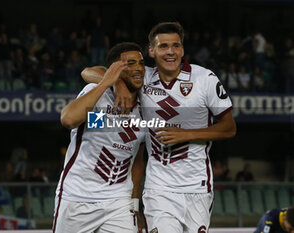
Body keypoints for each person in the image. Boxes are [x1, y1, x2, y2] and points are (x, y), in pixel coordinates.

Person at [82, 22, 237, 233]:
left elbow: (229, 127)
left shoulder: (205, 79)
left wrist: (187, 134)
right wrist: (116, 82)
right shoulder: (143, 76)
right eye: (163, 46)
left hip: (197, 187)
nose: (170, 51)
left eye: (176, 45)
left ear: (182, 50)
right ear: (152, 51)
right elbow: (88, 71)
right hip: (159, 189)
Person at [53, 42, 146, 233]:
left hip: (118, 200)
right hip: (78, 197)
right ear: (115, 69)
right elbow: (69, 119)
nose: (138, 68)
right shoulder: (99, 95)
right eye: (131, 63)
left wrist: (135, 204)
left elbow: (137, 157)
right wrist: (110, 82)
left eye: (141, 63)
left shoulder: (147, 105)